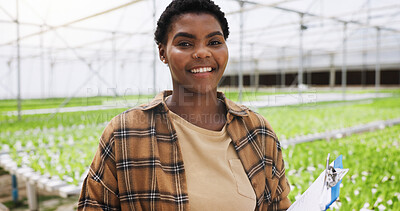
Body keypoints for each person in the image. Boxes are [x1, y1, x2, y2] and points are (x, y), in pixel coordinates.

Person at [78, 0, 291, 210]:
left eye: (214, 42)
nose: (202, 53)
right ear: (163, 53)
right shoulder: (125, 133)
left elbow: (278, 205)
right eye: (185, 44)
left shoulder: (258, 131)